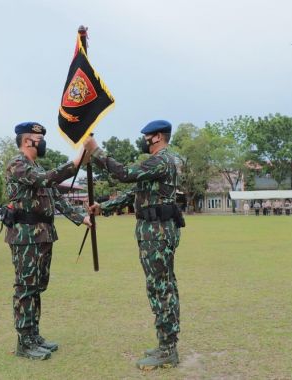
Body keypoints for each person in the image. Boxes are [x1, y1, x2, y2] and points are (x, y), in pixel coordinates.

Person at [84, 120, 183, 370]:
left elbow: (125, 174)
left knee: (160, 288)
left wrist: (95, 150)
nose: (144, 140)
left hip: (157, 231)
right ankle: (166, 343)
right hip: (156, 230)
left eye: (147, 136)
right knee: (164, 285)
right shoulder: (162, 162)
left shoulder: (162, 160)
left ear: (158, 137)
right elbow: (136, 193)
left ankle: (167, 349)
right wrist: (103, 207)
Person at [4, 122, 90, 361]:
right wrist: (75, 162)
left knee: (37, 287)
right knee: (25, 288)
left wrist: (81, 218)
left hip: (42, 235)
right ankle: (24, 342)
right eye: (39, 138)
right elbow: (44, 180)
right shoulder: (17, 164)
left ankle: (33, 335)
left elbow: (56, 198)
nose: (43, 142)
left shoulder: (36, 166)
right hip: (25, 237)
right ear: (27, 141)